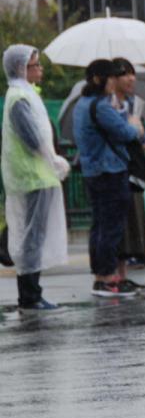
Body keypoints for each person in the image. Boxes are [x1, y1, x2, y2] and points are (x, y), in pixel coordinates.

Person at [2, 45, 70, 311]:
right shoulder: (19, 97)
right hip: (32, 175)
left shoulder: (27, 94)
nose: (40, 69)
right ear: (21, 68)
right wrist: (52, 159)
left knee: (34, 237)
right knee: (31, 238)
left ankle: (32, 293)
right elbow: (32, 137)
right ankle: (30, 296)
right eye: (35, 65)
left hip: (37, 175)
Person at [74, 59, 143, 298]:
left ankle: (101, 277)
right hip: (110, 171)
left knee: (100, 226)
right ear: (98, 79)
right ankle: (106, 279)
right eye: (111, 77)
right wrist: (135, 126)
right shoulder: (101, 107)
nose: (114, 82)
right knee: (111, 227)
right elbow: (126, 133)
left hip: (93, 172)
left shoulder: (82, 104)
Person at [110, 58, 145, 278]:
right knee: (117, 221)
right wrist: (132, 131)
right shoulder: (106, 106)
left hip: (134, 170)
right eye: (124, 74)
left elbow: (143, 139)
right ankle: (112, 275)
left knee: (135, 216)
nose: (131, 78)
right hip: (114, 170)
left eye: (132, 74)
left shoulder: (133, 105)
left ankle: (131, 264)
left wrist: (140, 134)